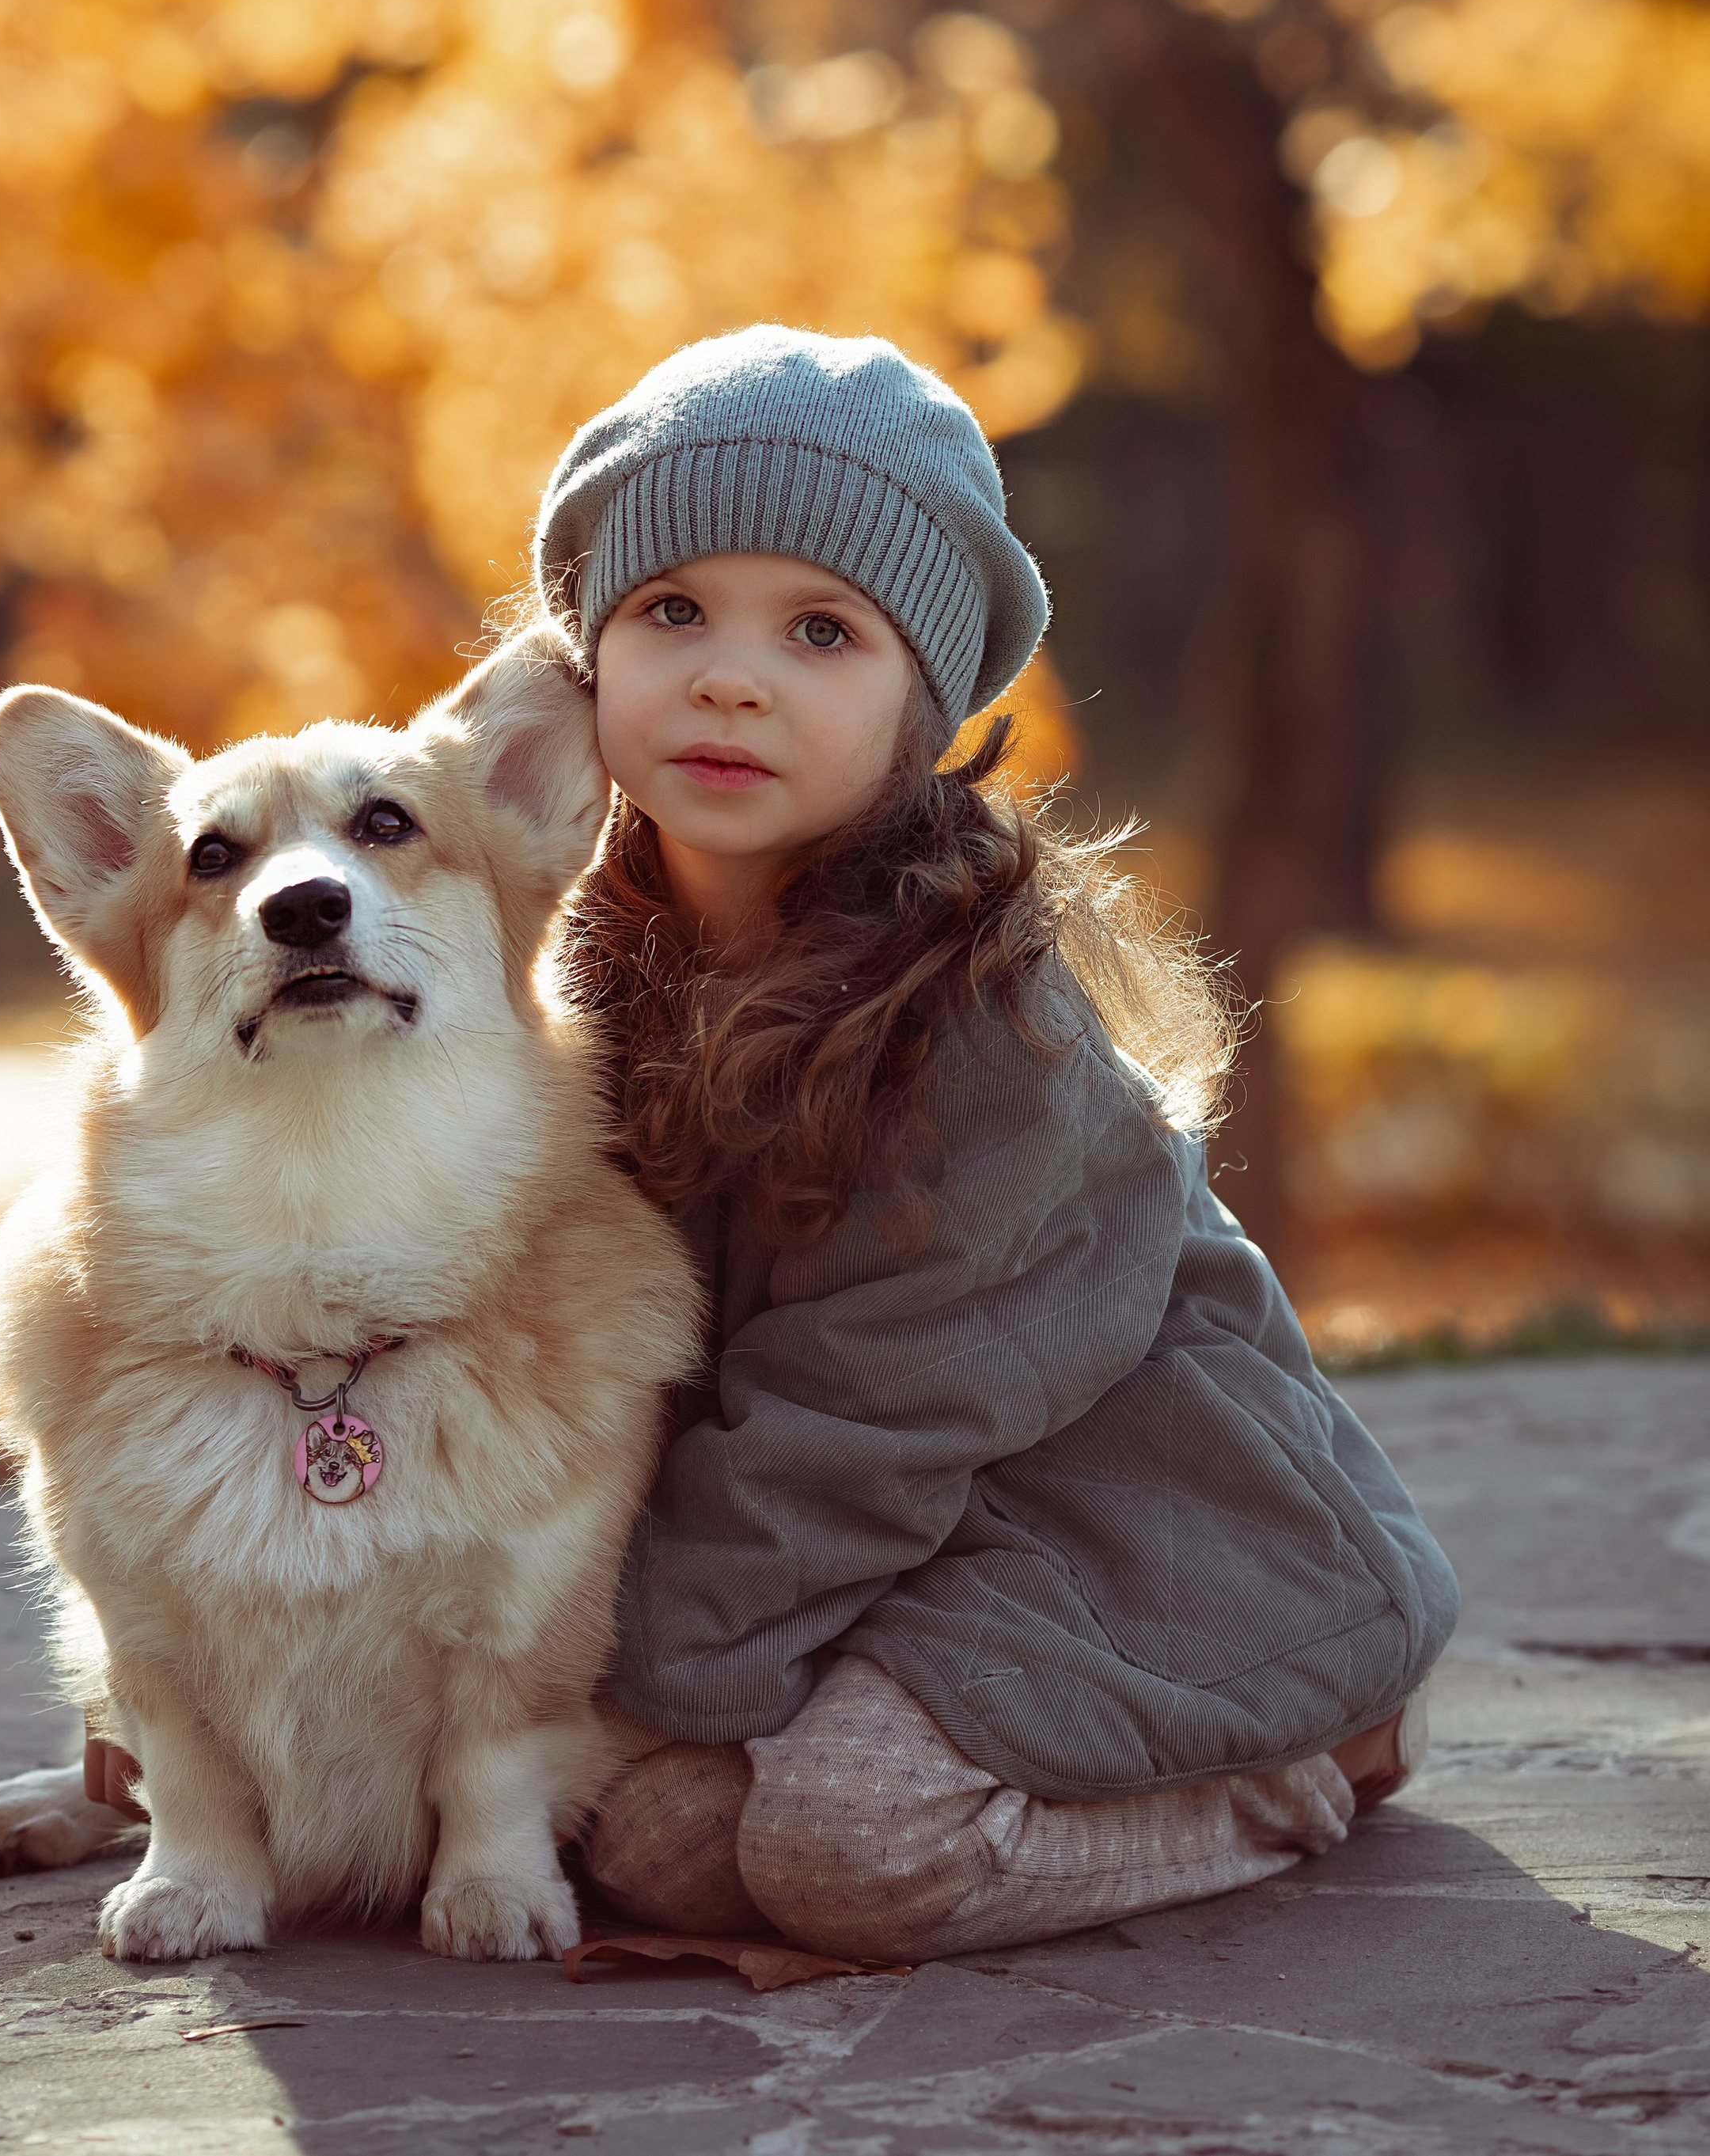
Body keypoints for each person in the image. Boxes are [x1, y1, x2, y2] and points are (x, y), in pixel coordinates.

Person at [532, 324, 1457, 1964]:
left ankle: (1293, 1764)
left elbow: (876, 1403)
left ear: (922, 706)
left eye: (820, 631)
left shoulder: (979, 1024)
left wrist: (612, 1662)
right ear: (583, 650)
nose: (729, 676)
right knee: (649, 1836)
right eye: (671, 610)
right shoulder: (562, 958)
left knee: (843, 1849)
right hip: (860, 1537)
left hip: (1136, 1517)